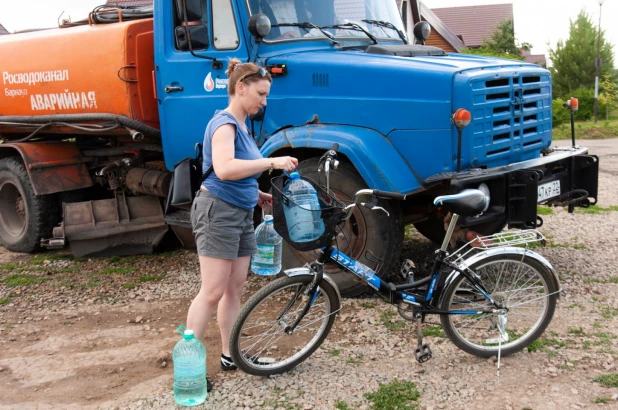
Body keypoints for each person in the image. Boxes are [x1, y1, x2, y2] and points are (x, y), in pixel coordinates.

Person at [187, 59, 298, 391]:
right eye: (261, 94)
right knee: (211, 292)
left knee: (234, 288)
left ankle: (229, 354)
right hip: (217, 212)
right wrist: (272, 161)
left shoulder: (243, 125)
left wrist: (258, 193)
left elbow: (240, 171)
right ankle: (189, 368)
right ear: (240, 88)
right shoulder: (225, 124)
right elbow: (223, 168)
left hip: (237, 211)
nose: (264, 101)